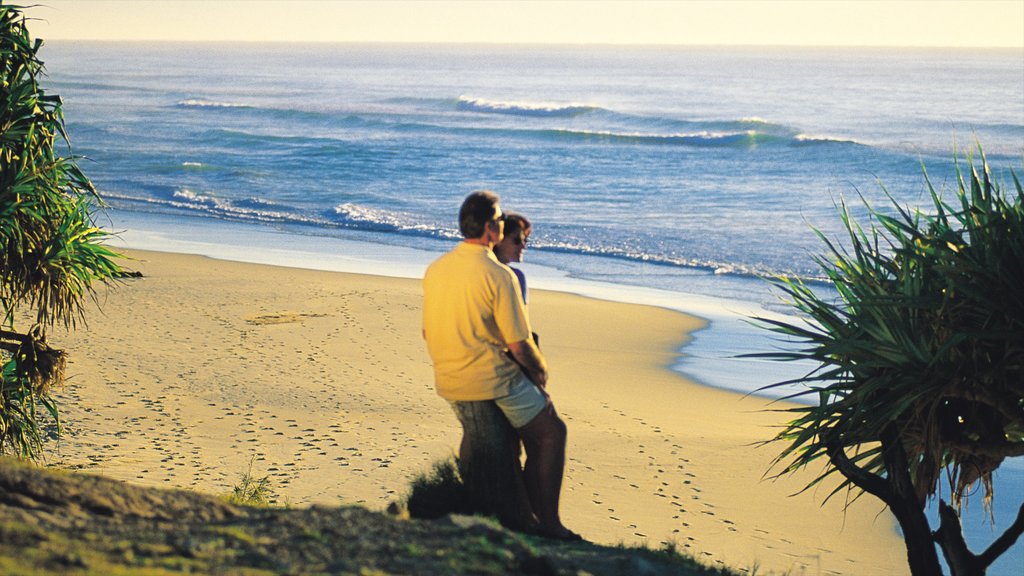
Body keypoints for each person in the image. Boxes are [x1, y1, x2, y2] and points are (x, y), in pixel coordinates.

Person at [422, 191, 578, 541]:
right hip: (490, 379)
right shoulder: (499, 275)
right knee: (552, 433)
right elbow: (520, 345)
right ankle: (549, 523)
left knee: (494, 441)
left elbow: (426, 331)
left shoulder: (437, 269)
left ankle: (517, 511)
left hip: (447, 377)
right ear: (492, 228)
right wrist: (540, 376)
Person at [492, 212, 531, 304]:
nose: (523, 246)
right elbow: (519, 317)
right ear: (499, 238)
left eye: (525, 241)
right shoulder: (515, 277)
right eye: (517, 240)